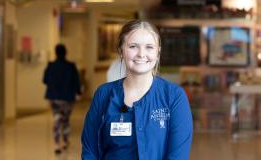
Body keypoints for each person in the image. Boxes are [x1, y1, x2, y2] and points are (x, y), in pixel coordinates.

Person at [81, 20, 193, 159]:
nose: (141, 54)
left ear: (158, 52)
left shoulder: (174, 97)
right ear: (121, 51)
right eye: (133, 46)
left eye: (149, 47)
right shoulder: (103, 94)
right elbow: (90, 150)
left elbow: (178, 156)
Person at [43, 43, 81, 155]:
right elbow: (76, 81)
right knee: (65, 120)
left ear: (55, 53)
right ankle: (65, 141)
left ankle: (56, 144)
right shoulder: (71, 66)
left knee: (57, 120)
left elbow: (45, 80)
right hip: (67, 98)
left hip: (54, 98)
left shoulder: (50, 66)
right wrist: (78, 92)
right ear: (66, 53)